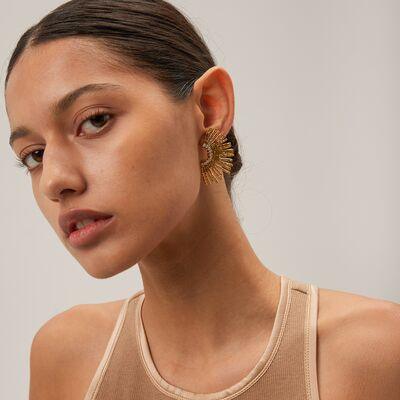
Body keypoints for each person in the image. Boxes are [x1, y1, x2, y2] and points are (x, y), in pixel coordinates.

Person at [4, 0, 400, 399]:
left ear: (209, 108)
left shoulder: (375, 351)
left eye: (95, 120)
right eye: (34, 155)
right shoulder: (67, 359)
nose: (54, 180)